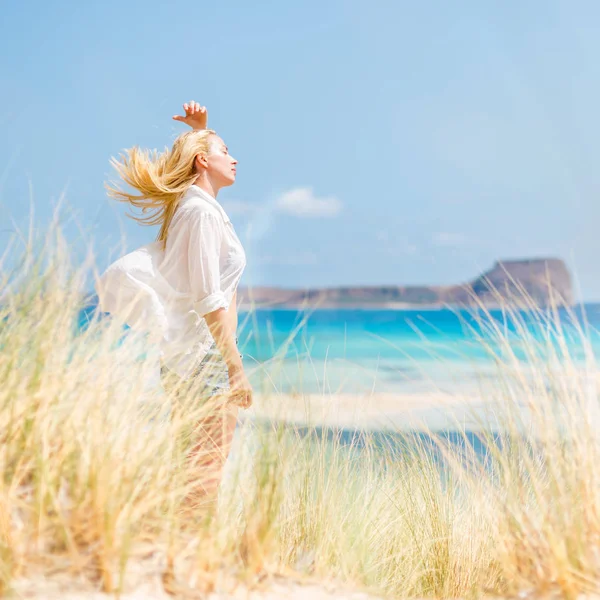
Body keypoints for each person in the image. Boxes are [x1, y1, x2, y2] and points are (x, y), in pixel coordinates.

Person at [95, 101, 254, 513]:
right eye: (225, 151)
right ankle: (186, 562)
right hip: (205, 358)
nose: (234, 159)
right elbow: (208, 298)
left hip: (191, 357)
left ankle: (174, 552)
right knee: (203, 474)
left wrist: (202, 130)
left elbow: (201, 163)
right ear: (204, 160)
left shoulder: (195, 206)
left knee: (191, 468)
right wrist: (236, 368)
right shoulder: (199, 213)